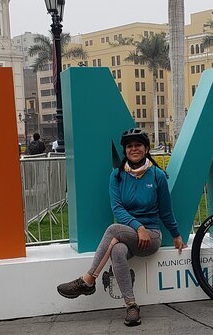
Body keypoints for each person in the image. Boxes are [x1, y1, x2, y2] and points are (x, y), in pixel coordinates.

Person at [56, 128, 186, 327]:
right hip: (129, 235)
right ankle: (131, 305)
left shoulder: (157, 175)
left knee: (113, 229)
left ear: (146, 148)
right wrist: (137, 227)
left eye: (138, 145)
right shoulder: (116, 176)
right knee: (117, 250)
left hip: (150, 236)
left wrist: (176, 235)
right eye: (129, 146)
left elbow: (166, 212)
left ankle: (88, 280)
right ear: (125, 151)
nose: (134, 149)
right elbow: (117, 207)